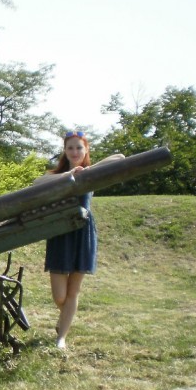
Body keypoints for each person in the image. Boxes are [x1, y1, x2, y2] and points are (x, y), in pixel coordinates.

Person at [35, 131, 124, 349]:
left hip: (83, 232)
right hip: (60, 232)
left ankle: (61, 338)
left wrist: (87, 170)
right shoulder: (58, 175)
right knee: (59, 296)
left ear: (86, 150)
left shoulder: (91, 173)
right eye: (70, 148)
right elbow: (37, 182)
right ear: (65, 151)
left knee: (73, 291)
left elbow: (120, 158)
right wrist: (69, 174)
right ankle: (64, 317)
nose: (74, 152)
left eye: (79, 147)